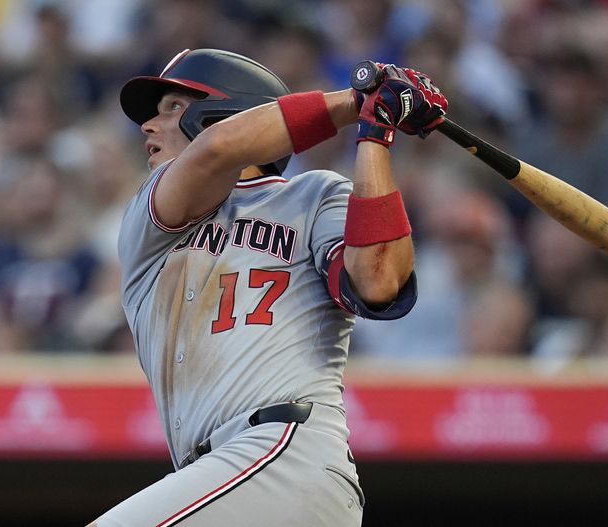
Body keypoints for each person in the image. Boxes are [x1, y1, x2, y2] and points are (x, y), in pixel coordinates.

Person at [90, 48, 447, 526]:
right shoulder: (147, 215)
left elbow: (378, 282)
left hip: (284, 452)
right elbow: (217, 150)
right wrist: (359, 99)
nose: (148, 126)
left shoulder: (317, 195)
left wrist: (374, 132)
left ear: (226, 111)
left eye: (173, 107)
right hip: (219, 479)